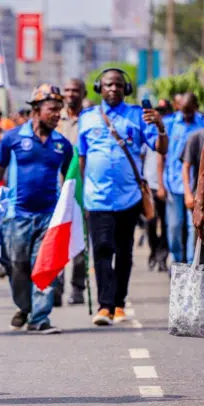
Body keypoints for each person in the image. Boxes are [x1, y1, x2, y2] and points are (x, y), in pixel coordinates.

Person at [0, 85, 73, 335]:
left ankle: (39, 317)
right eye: (52, 109)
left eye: (59, 110)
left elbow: (71, 181)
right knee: (16, 265)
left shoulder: (62, 144)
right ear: (36, 110)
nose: (57, 115)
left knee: (45, 266)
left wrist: (74, 211)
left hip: (49, 218)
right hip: (16, 215)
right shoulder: (13, 138)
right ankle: (24, 306)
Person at [77, 68, 167, 326]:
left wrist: (160, 127)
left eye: (118, 85)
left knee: (124, 252)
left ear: (125, 89)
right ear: (99, 88)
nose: (113, 89)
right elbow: (82, 158)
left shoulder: (138, 116)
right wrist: (83, 196)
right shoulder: (88, 117)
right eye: (108, 85)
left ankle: (119, 303)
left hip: (128, 198)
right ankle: (105, 307)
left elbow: (160, 148)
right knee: (102, 250)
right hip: (96, 198)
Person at [157, 93, 203, 265]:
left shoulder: (202, 122)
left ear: (196, 108)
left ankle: (192, 267)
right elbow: (161, 156)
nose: (187, 115)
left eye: (190, 111)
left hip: (196, 187)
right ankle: (177, 263)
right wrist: (160, 184)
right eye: (184, 111)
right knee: (175, 227)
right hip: (175, 185)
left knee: (194, 229)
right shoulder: (169, 123)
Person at [54, 78, 88, 306]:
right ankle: (55, 286)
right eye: (67, 89)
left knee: (79, 239)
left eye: (75, 90)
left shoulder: (91, 119)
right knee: (56, 238)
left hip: (83, 187)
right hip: (57, 187)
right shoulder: (55, 119)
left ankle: (77, 287)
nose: (70, 93)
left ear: (83, 93)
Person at [144, 99, 173, 272]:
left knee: (167, 223)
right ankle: (154, 250)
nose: (161, 114)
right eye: (159, 111)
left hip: (167, 184)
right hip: (149, 183)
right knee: (151, 222)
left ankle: (162, 256)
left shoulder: (170, 130)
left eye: (164, 111)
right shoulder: (148, 130)